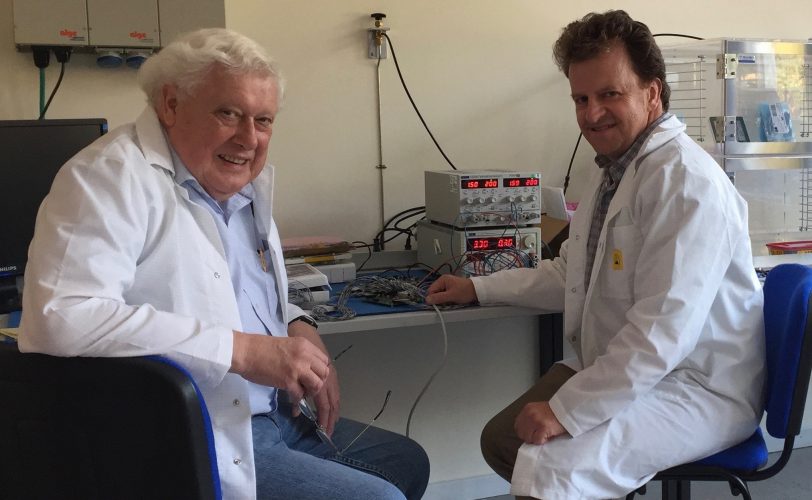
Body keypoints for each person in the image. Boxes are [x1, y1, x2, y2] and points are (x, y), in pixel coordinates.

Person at [19, 28, 429, 500]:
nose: (249, 139)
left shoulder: (234, 188)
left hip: (274, 416)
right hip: (189, 433)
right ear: (170, 105)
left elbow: (235, 290)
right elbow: (61, 318)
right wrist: (248, 352)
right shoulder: (108, 177)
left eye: (264, 120)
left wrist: (298, 324)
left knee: (405, 463)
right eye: (228, 113)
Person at [426, 10, 765, 500]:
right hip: (628, 367)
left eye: (610, 94)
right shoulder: (613, 172)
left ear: (652, 92)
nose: (591, 114)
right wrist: (477, 287)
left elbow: (661, 331)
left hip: (695, 386)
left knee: (549, 467)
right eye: (580, 99)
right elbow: (571, 273)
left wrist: (566, 411)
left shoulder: (686, 183)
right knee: (502, 440)